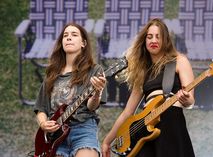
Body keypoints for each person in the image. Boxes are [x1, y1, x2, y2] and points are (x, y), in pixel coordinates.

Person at [102, 18, 195, 157]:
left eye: (158, 36)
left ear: (166, 40)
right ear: (144, 41)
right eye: (149, 37)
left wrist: (187, 100)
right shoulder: (143, 71)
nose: (153, 40)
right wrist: (107, 141)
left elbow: (190, 101)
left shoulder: (179, 61)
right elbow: (128, 112)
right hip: (145, 130)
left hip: (171, 125)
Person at [34, 23, 107, 157]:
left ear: (83, 43)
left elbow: (92, 107)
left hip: (83, 130)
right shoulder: (52, 73)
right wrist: (44, 124)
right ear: (61, 42)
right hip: (54, 137)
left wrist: (97, 93)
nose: (68, 38)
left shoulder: (95, 70)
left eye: (74, 35)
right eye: (65, 35)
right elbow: (41, 109)